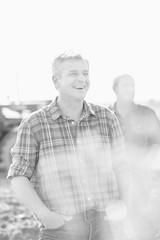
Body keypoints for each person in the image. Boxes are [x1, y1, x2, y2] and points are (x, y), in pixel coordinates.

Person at [7, 52, 132, 240]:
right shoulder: (34, 124)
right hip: (61, 229)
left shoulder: (106, 118)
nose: (82, 79)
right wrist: (45, 215)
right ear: (56, 81)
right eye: (73, 73)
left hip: (106, 226)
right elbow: (18, 177)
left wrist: (124, 207)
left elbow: (122, 168)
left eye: (85, 73)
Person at [110, 74, 160, 239]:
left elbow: (156, 143)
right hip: (111, 181)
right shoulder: (106, 116)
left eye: (132, 85)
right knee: (114, 225)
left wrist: (142, 163)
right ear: (115, 89)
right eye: (125, 85)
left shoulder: (147, 113)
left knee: (143, 224)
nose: (130, 89)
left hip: (140, 179)